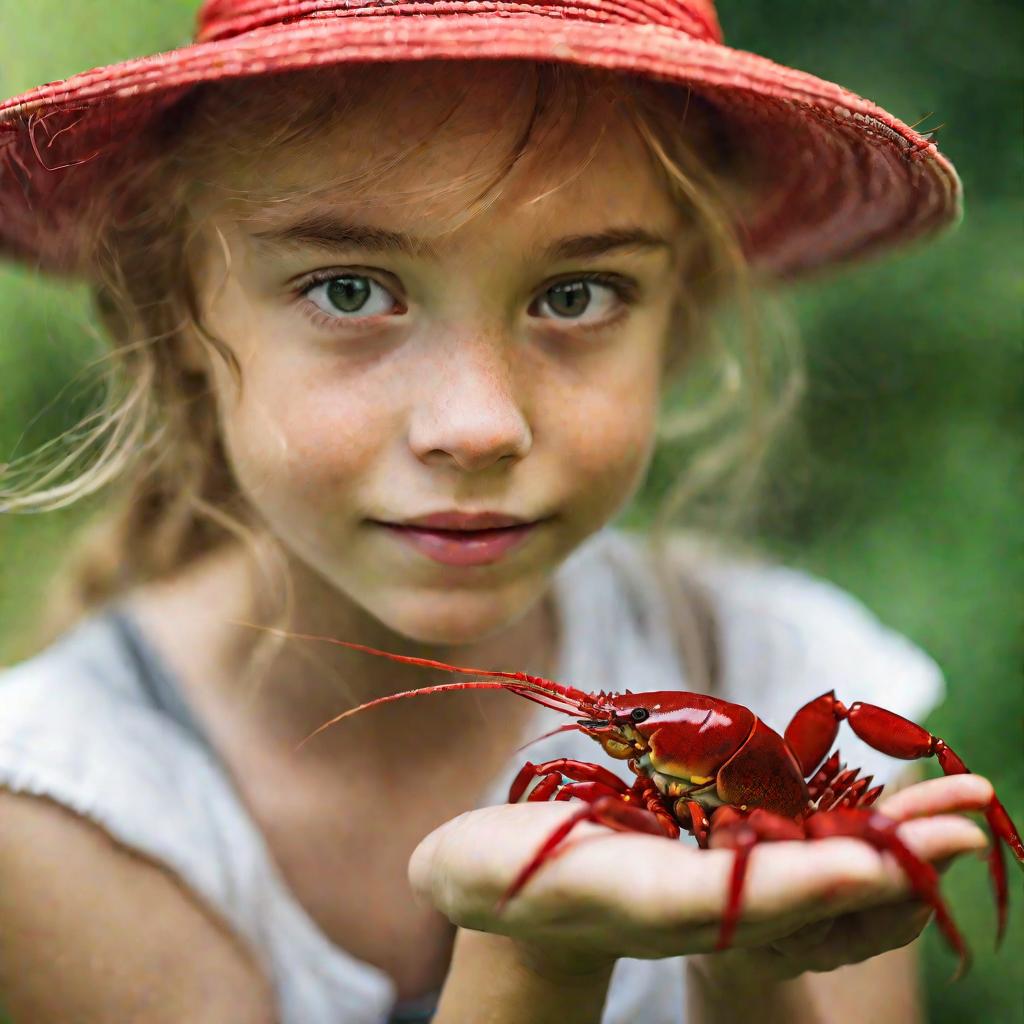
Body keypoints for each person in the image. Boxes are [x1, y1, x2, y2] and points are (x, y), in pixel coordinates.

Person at [0, 3, 1012, 1022]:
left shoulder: (774, 661)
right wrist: (534, 958)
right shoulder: (52, 810)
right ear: (176, 309)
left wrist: (758, 965)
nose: (477, 425)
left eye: (576, 294)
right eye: (348, 290)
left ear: (683, 310)